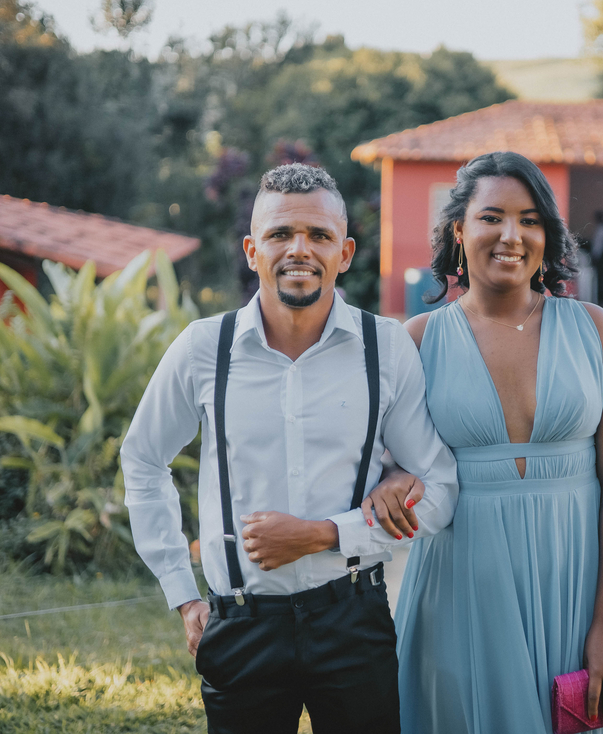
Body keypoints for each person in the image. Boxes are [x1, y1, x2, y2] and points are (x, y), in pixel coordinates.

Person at [120, 163, 458, 734]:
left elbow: (441, 490)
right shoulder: (204, 349)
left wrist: (325, 534)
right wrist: (182, 593)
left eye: (319, 235)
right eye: (280, 234)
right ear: (252, 250)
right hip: (241, 626)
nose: (299, 249)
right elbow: (143, 459)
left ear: (344, 253)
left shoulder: (385, 348)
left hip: (353, 622)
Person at [365, 152, 603, 733]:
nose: (511, 235)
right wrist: (394, 477)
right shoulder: (416, 340)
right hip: (460, 589)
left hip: (572, 591)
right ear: (459, 230)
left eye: (530, 220)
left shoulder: (593, 329)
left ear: (547, 235)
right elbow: (384, 464)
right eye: (491, 217)